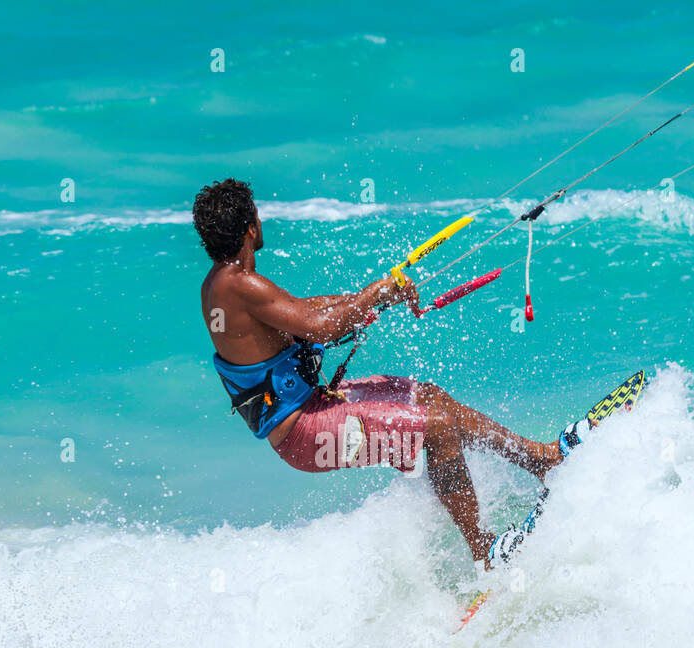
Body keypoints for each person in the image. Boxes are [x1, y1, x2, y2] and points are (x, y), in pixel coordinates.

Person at [194, 178, 593, 567]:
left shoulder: (223, 284)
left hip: (312, 411)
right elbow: (319, 328)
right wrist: (376, 293)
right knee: (437, 428)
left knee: (430, 398)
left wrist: (371, 296)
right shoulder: (242, 285)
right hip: (305, 434)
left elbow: (304, 310)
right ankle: (483, 551)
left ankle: (541, 461)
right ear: (251, 228)